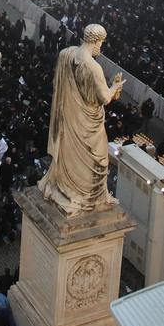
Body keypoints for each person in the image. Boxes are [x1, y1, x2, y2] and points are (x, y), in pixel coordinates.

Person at [38, 23, 124, 215]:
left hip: (69, 116)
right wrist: (115, 86)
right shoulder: (93, 67)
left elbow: (57, 83)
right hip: (87, 123)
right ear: (96, 41)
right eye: (101, 42)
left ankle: (65, 186)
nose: (101, 46)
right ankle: (83, 194)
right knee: (98, 156)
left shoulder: (66, 54)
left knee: (68, 152)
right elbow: (105, 98)